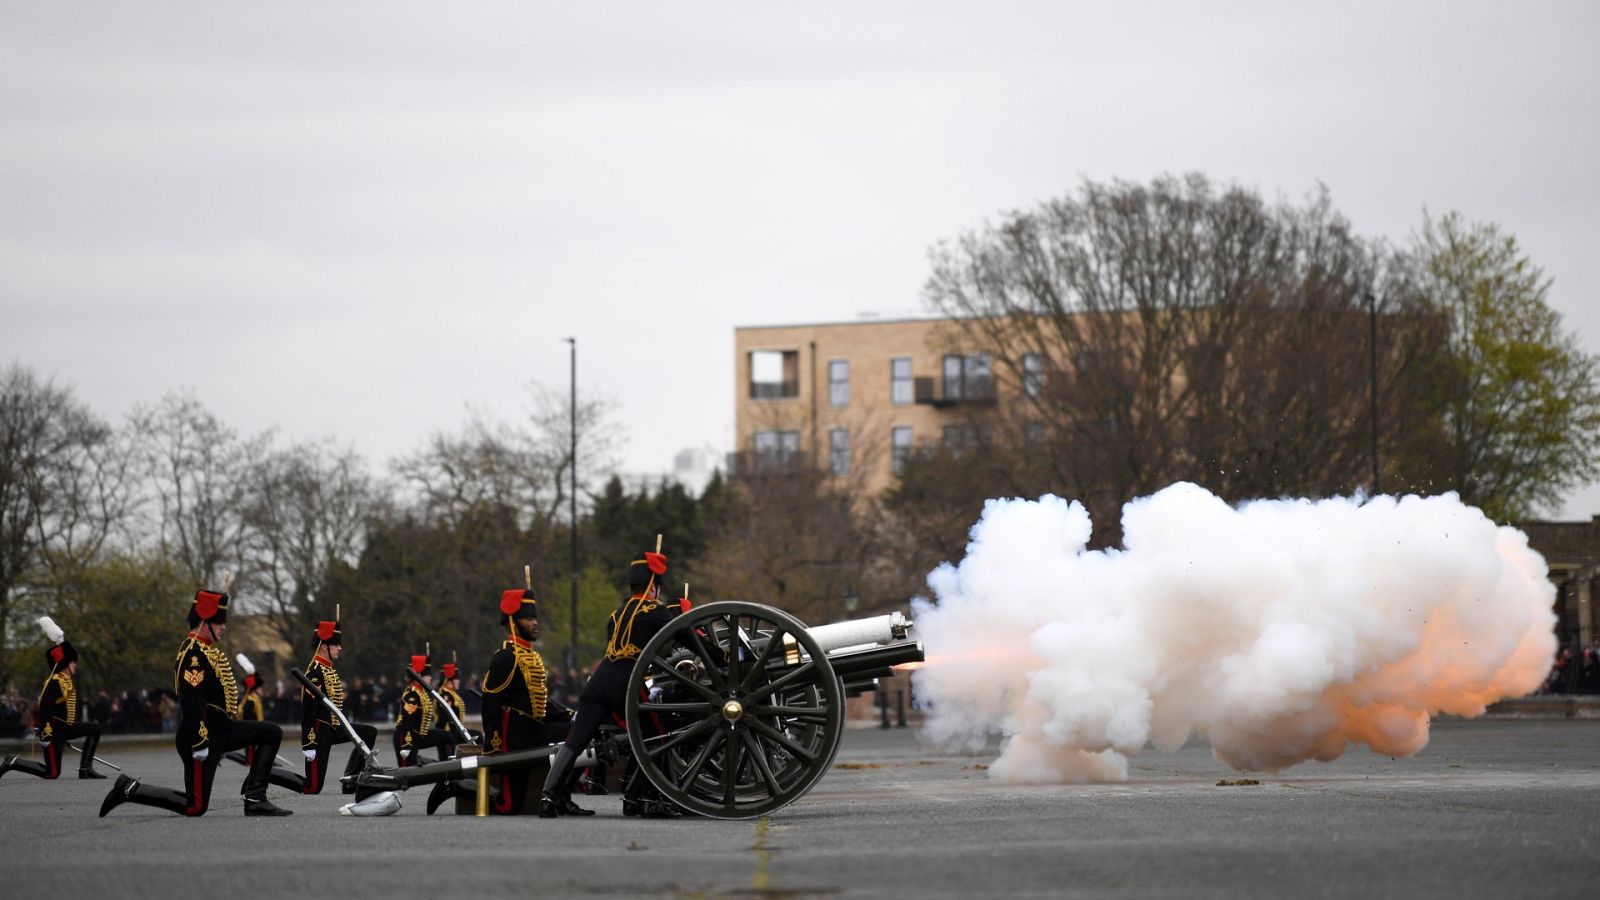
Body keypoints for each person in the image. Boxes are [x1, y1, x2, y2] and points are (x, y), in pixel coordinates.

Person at [98, 583, 306, 817]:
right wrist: (199, 742)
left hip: (222, 729)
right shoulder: (194, 655)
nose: (224, 626)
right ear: (205, 621)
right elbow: (191, 703)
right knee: (195, 806)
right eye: (220, 621)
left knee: (271, 733)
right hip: (201, 734)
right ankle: (129, 789)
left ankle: (255, 797)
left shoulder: (206, 649)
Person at [540, 544, 683, 818]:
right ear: (653, 586)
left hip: (599, 681)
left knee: (575, 741)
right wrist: (718, 655)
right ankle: (644, 799)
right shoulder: (655, 611)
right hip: (626, 685)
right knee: (658, 737)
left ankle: (549, 798)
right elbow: (683, 636)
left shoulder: (616, 615)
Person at [470, 585, 578, 816]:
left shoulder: (532, 656)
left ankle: (562, 796)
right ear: (513, 622)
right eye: (528, 619)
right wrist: (494, 743)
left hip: (536, 730)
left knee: (578, 734)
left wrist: (571, 715)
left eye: (534, 618)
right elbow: (491, 703)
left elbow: (541, 702)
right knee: (510, 805)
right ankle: (457, 787)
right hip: (515, 738)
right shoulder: (505, 658)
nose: (535, 623)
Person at [1, 617, 105, 782]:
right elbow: (45, 709)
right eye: (72, 662)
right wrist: (47, 735)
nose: (75, 665)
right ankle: (13, 762)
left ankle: (85, 768)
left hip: (66, 729)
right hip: (54, 731)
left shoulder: (66, 680)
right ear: (65, 664)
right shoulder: (54, 683)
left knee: (95, 728)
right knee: (52, 773)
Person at [301, 617, 378, 794]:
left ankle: (350, 780)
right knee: (312, 787)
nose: (340, 648)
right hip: (320, 732)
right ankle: (268, 775)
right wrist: (308, 743)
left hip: (334, 726)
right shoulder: (314, 671)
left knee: (368, 732)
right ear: (324, 646)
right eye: (336, 644)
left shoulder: (327, 668)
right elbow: (309, 709)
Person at [394, 653, 453, 767]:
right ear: (419, 675)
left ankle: (447, 771)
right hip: (407, 736)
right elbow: (408, 722)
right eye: (428, 675)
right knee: (407, 774)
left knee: (447, 737)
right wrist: (407, 745)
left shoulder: (422, 692)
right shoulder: (412, 694)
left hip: (420, 735)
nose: (430, 678)